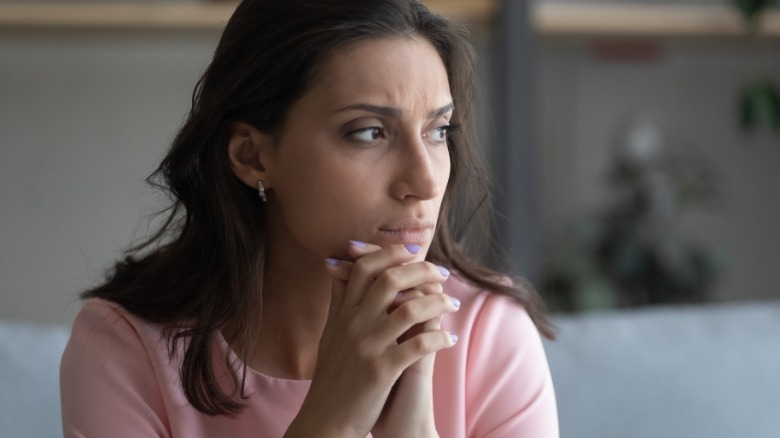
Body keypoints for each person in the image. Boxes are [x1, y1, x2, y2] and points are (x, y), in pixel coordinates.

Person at [59, 0, 559, 436]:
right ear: (253, 156)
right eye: (368, 133)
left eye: (438, 131)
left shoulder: (488, 333)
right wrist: (332, 421)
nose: (426, 182)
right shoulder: (125, 347)